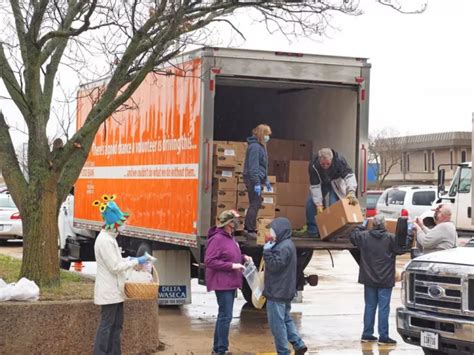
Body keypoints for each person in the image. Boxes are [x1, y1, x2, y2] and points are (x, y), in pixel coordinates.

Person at [92, 194, 151, 355]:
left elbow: (117, 261)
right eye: (121, 222)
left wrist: (130, 259)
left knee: (116, 326)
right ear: (114, 224)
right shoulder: (105, 241)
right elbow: (115, 266)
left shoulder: (109, 239)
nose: (124, 225)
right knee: (107, 326)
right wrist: (136, 261)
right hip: (109, 291)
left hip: (115, 291)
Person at [205, 210, 252, 355]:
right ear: (229, 223)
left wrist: (243, 257)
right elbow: (209, 260)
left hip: (230, 281)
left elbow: (230, 254)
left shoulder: (230, 238)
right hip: (222, 283)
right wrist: (232, 266)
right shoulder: (217, 239)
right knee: (225, 316)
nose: (238, 223)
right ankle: (220, 349)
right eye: (235, 221)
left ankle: (219, 348)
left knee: (225, 315)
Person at [350, 215, 401, 345]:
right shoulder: (390, 238)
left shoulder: (364, 236)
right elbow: (402, 247)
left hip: (369, 278)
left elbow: (353, 234)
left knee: (369, 306)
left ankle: (367, 334)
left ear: (372, 225)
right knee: (383, 308)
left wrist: (362, 224)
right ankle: (383, 336)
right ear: (384, 225)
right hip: (385, 279)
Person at [262, 217, 307, 355]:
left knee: (277, 324)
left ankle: (283, 351)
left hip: (277, 291)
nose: (271, 232)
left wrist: (267, 252)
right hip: (284, 289)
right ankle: (298, 344)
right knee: (285, 318)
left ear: (280, 231)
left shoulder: (282, 247)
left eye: (273, 230)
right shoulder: (287, 244)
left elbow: (275, 266)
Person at [304, 148, 358, 236]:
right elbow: (315, 186)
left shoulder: (339, 160)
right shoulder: (313, 165)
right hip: (321, 182)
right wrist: (319, 204)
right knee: (311, 202)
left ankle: (336, 230)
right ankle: (313, 231)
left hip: (336, 181)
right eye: (323, 164)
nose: (325, 166)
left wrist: (351, 191)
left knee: (334, 204)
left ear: (332, 160)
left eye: (328, 164)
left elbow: (349, 176)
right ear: (319, 160)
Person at [243, 124, 272, 238]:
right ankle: (249, 229)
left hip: (257, 178)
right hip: (253, 179)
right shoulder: (255, 147)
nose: (268, 137)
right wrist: (256, 183)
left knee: (256, 202)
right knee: (256, 202)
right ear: (262, 134)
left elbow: (264, 166)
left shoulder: (261, 146)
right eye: (267, 134)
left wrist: (266, 180)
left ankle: (250, 227)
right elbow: (253, 167)